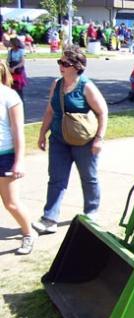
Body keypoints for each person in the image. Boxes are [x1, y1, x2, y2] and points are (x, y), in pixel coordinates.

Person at [32, 45, 108, 235]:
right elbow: (50, 110)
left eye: (65, 63)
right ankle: (50, 218)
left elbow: (102, 111)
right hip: (58, 139)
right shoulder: (56, 84)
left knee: (89, 177)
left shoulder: (86, 86)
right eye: (60, 62)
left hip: (84, 141)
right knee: (56, 179)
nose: (61, 65)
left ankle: (91, 212)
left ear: (77, 66)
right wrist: (42, 134)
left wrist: (99, 138)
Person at [0, 60, 37, 255]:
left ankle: (28, 234)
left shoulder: (9, 96)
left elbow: (18, 131)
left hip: (5, 156)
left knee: (11, 203)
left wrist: (19, 160)